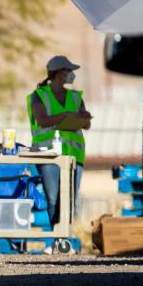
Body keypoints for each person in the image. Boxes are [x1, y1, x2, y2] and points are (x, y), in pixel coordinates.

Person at [26, 55, 92, 226]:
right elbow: (42, 120)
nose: (71, 75)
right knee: (53, 199)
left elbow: (86, 125)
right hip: (49, 156)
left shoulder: (76, 97)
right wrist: (66, 116)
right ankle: (57, 236)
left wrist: (83, 118)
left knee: (72, 199)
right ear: (57, 73)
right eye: (67, 71)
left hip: (74, 156)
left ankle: (70, 237)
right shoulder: (39, 95)